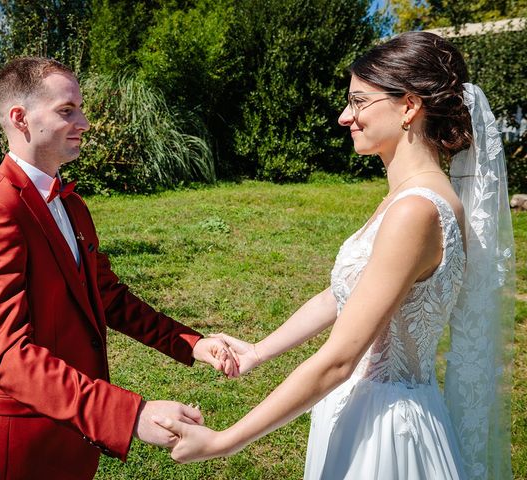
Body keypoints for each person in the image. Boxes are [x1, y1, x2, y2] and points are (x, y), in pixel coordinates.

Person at [155, 32, 515, 479]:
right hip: (365, 413)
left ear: (408, 106)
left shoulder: (416, 210)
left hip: (386, 435)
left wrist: (224, 442)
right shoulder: (408, 196)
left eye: (359, 101)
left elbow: (340, 359)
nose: (346, 117)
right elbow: (342, 294)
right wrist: (257, 353)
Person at [0, 57, 237, 480]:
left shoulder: (71, 203)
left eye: (80, 109)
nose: (84, 122)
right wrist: (130, 415)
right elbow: (8, 357)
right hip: (22, 447)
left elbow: (106, 296)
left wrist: (190, 343)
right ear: (20, 118)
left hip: (73, 437)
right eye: (68, 110)